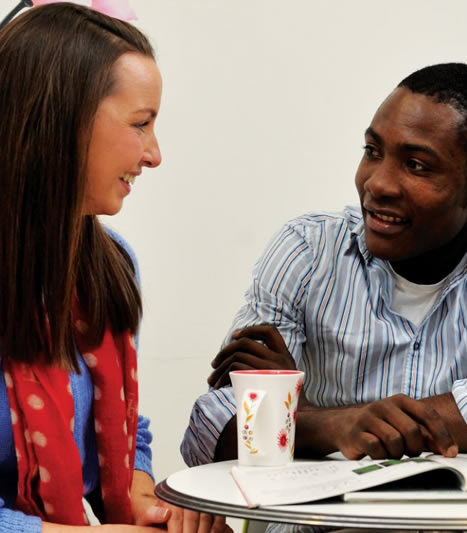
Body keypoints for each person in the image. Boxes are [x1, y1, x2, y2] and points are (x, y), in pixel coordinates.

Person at [181, 63, 467, 466]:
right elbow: (213, 426)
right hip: (320, 525)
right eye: (373, 152)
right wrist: (338, 426)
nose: (377, 184)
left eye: (416, 165)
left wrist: (307, 415)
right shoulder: (306, 250)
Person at [0, 4, 230, 532]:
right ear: (63, 121)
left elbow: (127, 434)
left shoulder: (111, 265)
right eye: (141, 124)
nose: (154, 154)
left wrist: (148, 503)